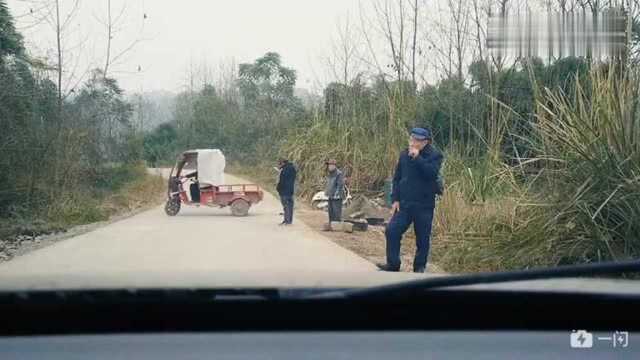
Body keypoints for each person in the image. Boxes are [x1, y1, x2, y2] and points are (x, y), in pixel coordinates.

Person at [378, 127, 443, 273]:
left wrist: (418, 157)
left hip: (424, 205)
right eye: (412, 139)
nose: (413, 142)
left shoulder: (435, 155)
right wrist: (395, 199)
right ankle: (393, 264)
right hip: (405, 204)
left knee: (423, 238)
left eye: (417, 140)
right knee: (392, 231)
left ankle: (419, 267)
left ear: (425, 142)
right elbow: (397, 178)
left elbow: (431, 173)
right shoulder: (403, 154)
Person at [276, 158, 297, 225]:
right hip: (290, 190)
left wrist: (278, 189)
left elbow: (281, 181)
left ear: (282, 163)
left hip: (284, 191)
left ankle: (287, 221)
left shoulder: (284, 170)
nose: (278, 166)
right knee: (289, 206)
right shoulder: (292, 168)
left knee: (286, 206)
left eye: (279, 164)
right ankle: (289, 220)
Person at [324, 159, 345, 224]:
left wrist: (336, 194)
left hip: (337, 197)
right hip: (330, 195)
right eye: (328, 165)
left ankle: (336, 226)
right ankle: (331, 225)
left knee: (336, 212)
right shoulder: (330, 173)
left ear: (334, 166)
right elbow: (329, 184)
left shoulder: (339, 174)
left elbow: (340, 185)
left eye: (330, 165)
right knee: (330, 211)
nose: (329, 167)